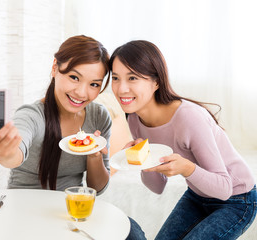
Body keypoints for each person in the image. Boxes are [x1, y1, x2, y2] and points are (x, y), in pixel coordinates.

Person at [0, 35, 146, 239]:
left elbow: (97, 188)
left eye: (94, 84)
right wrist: (4, 152)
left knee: (133, 232)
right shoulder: (32, 115)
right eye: (74, 78)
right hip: (26, 212)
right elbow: (15, 153)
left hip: (71, 213)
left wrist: (94, 155)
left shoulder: (99, 116)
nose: (81, 92)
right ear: (54, 68)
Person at [110, 40, 257, 239]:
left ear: (156, 82)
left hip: (237, 200)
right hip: (198, 195)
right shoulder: (135, 119)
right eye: (116, 78)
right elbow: (157, 187)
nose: (121, 88)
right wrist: (142, 161)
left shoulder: (188, 118)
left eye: (132, 78)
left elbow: (224, 188)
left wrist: (186, 169)